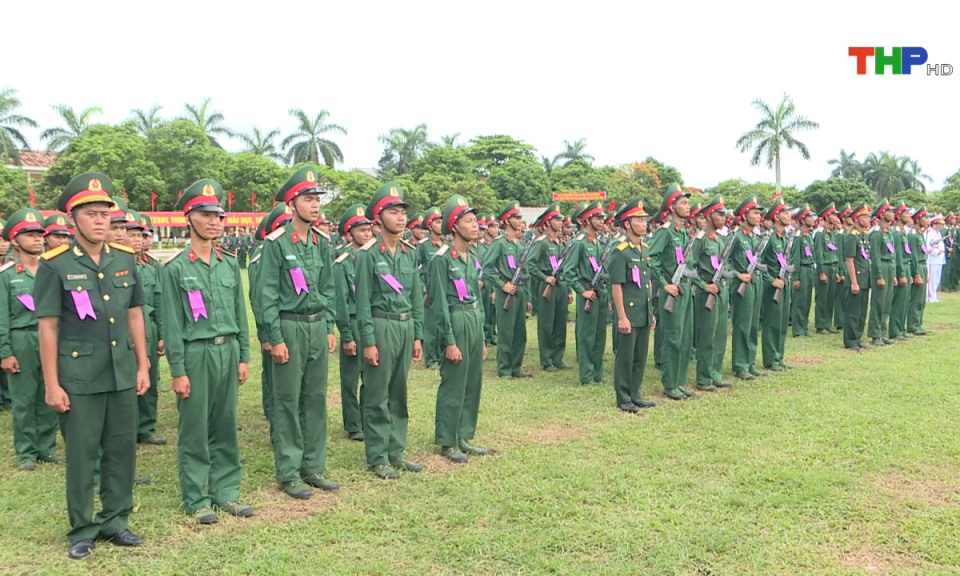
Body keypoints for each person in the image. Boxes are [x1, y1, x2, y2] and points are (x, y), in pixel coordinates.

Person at [34, 172, 151, 560]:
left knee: (122, 451)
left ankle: (116, 520)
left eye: (105, 214)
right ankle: (83, 528)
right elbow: (48, 327)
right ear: (73, 219)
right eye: (91, 214)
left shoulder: (124, 258)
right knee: (82, 456)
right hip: (80, 377)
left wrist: (143, 365)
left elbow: (134, 314)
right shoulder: (55, 265)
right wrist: (52, 383)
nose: (100, 221)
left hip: (121, 372)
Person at [161, 179, 252, 524]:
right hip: (196, 354)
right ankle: (196, 497)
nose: (215, 222)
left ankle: (226, 491)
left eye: (218, 216)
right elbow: (172, 324)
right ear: (189, 218)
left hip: (227, 351)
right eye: (206, 215)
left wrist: (243, 356)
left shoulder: (229, 263)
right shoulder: (175, 268)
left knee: (225, 425)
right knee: (195, 429)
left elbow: (240, 313)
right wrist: (178, 371)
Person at [259, 166, 338, 498]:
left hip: (317, 325)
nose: (315, 205)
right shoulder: (276, 243)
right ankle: (290, 472)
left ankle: (313, 467)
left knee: (315, 398)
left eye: (317, 199)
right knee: (288, 400)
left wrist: (329, 326)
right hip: (290, 326)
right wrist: (275, 337)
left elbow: (328, 288)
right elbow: (266, 295)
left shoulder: (321, 242)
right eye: (307, 199)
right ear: (291, 204)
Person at [354, 182, 425, 479]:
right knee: (377, 393)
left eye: (402, 212)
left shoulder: (409, 253)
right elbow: (362, 302)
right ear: (379, 218)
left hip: (405, 325)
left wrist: (418, 335)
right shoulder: (368, 254)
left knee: (399, 391)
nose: (401, 217)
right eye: (393, 212)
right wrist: (368, 341)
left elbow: (416, 296)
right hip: (381, 324)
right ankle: (378, 455)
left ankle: (396, 450)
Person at [0, 208, 63, 471]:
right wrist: (5, 352)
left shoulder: (51, 271)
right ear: (15, 241)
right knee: (24, 399)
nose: (38, 239)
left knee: (49, 391)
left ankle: (47, 447)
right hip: (22, 339)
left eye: (39, 234)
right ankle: (26, 451)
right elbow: (2, 317)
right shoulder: (7, 275)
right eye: (30, 235)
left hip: (51, 338)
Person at [428, 195, 489, 462]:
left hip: (473, 319)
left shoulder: (471, 256)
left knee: (472, 382)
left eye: (475, 220)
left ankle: (464, 435)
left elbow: (477, 297)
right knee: (453, 382)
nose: (475, 225)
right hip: (456, 321)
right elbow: (439, 304)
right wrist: (449, 341)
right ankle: (447, 439)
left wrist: (483, 336)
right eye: (469, 221)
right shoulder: (441, 259)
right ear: (454, 226)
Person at [647, 184, 696, 400]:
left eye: (687, 203)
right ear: (672, 207)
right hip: (671, 292)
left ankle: (679, 381)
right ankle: (669, 384)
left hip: (684, 290)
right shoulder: (665, 231)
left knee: (684, 339)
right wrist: (663, 284)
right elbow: (651, 259)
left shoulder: (683, 232)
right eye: (683, 203)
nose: (688, 206)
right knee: (672, 338)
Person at [248, 205, 292, 436]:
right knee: (274, 378)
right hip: (272, 326)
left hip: (292, 325)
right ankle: (273, 415)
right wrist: (265, 334)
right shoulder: (260, 258)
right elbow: (260, 298)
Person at [610, 199, 657, 413]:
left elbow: (647, 283)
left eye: (645, 220)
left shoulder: (644, 249)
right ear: (628, 224)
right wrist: (622, 317)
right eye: (639, 220)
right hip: (628, 312)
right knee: (625, 358)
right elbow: (617, 286)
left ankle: (635, 393)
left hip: (643, 311)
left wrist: (651, 312)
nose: (644, 224)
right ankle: (623, 397)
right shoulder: (620, 251)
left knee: (640, 357)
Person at [333, 204, 373, 442]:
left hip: (372, 322)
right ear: (349, 234)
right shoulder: (342, 263)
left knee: (371, 375)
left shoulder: (373, 258)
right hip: (354, 322)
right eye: (361, 230)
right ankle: (353, 423)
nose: (367, 234)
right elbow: (340, 301)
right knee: (350, 378)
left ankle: (367, 418)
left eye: (368, 229)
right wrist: (347, 335)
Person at [481, 201, 534, 379]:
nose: (520, 221)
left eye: (520, 217)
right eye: (516, 217)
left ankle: (516, 367)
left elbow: (525, 272)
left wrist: (528, 297)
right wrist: (501, 284)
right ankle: (504, 369)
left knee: (520, 332)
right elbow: (487, 268)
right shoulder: (500, 243)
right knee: (506, 332)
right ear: (506, 220)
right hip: (506, 292)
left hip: (519, 292)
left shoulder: (519, 245)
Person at [563, 200, 611, 386]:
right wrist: (582, 291)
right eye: (597, 218)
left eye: (602, 218)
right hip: (587, 292)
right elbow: (569, 271)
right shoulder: (580, 243)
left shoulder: (598, 242)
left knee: (599, 335)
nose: (601, 221)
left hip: (600, 292)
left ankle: (597, 373)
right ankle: (587, 374)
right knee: (587, 336)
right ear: (588, 219)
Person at [691, 195, 734, 391]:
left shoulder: (719, 239)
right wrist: (703, 285)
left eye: (724, 215)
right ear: (709, 216)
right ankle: (704, 377)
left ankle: (716, 374)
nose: (724, 218)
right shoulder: (700, 239)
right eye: (720, 214)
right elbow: (688, 267)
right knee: (707, 336)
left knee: (720, 335)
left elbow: (724, 266)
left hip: (721, 291)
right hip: (707, 292)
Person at [528, 203, 572, 372]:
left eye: (561, 220)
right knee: (547, 324)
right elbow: (530, 264)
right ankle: (547, 359)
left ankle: (558, 357)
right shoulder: (541, 243)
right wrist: (544, 277)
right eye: (556, 220)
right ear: (547, 222)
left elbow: (565, 268)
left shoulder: (562, 244)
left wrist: (568, 290)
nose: (560, 223)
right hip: (547, 284)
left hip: (561, 284)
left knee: (560, 323)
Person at [728, 196, 766, 381]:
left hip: (755, 283)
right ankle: (740, 365)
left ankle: (750, 363)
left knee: (753, 325)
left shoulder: (756, 237)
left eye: (759, 213)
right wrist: (737, 274)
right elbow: (723, 262)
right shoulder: (735, 237)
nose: (759, 217)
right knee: (742, 325)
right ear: (744, 215)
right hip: (742, 285)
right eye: (755, 213)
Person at [760, 197, 793, 371]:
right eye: (785, 213)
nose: (789, 216)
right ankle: (770, 359)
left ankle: (779, 357)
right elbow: (757, 263)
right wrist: (771, 280)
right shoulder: (768, 238)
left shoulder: (785, 238)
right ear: (776, 217)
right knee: (772, 323)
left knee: (781, 322)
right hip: (772, 286)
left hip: (784, 284)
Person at [416, 207, 446, 369]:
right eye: (437, 222)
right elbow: (414, 268)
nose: (441, 225)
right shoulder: (423, 246)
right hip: (430, 291)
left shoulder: (446, 244)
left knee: (443, 324)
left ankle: (442, 355)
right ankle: (431, 359)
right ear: (429, 225)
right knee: (431, 327)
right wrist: (422, 286)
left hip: (445, 290)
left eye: (442, 221)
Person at [843, 203, 873, 351]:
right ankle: (850, 340)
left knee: (861, 312)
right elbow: (849, 260)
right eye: (864, 217)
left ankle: (858, 338)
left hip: (865, 279)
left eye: (868, 216)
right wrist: (854, 282)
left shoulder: (864, 236)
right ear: (856, 218)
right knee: (853, 312)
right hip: (856, 279)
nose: (868, 219)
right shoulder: (852, 237)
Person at [867, 202, 897, 346]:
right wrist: (879, 276)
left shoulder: (888, 232)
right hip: (881, 267)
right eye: (889, 212)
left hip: (890, 267)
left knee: (887, 302)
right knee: (878, 302)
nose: (893, 214)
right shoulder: (877, 233)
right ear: (882, 214)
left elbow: (893, 254)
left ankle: (883, 332)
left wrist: (894, 274)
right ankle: (875, 334)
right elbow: (875, 256)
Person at [888, 201, 915, 341]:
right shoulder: (897, 234)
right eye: (906, 213)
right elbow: (897, 255)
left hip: (907, 265)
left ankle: (901, 329)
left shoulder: (903, 232)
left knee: (905, 301)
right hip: (901, 267)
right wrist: (901, 274)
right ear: (898, 216)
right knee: (899, 301)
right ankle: (895, 330)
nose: (909, 215)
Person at [814, 203, 842, 335]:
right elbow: (818, 254)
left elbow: (835, 252)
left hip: (833, 267)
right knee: (822, 298)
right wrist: (821, 272)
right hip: (824, 267)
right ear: (826, 216)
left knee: (830, 298)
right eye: (833, 215)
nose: (836, 217)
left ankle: (827, 324)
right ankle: (820, 325)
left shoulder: (832, 234)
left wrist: (837, 271)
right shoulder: (820, 234)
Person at [907, 207, 930, 335]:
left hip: (923, 265)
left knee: (921, 298)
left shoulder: (920, 234)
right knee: (916, 298)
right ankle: (913, 325)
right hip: (917, 266)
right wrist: (916, 273)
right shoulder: (913, 235)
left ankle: (918, 323)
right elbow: (913, 256)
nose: (928, 220)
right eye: (925, 218)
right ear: (918, 220)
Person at [925, 215, 945, 302]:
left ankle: (934, 295)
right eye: (940, 224)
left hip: (939, 259)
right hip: (932, 259)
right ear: (935, 224)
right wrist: (936, 252)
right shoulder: (930, 232)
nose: (942, 226)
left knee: (937, 279)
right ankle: (930, 296)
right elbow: (926, 245)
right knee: (931, 279)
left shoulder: (938, 233)